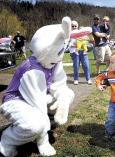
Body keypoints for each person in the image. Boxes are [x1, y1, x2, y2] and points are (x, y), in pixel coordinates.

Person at [0, 17, 74, 157]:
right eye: (59, 52)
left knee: (67, 95)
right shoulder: (33, 71)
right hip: (16, 101)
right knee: (35, 125)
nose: (61, 56)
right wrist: (43, 142)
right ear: (46, 50)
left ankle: (48, 124)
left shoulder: (53, 61)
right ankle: (7, 140)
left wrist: (63, 100)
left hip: (38, 97)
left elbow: (60, 85)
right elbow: (37, 103)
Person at [69, 20, 92, 85]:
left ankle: (88, 79)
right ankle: (76, 79)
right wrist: (75, 45)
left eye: (75, 26)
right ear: (70, 26)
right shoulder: (69, 34)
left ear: (77, 26)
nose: (74, 27)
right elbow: (68, 44)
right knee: (76, 66)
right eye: (72, 26)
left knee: (86, 65)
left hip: (83, 51)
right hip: (74, 52)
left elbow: (87, 40)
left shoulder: (81, 32)